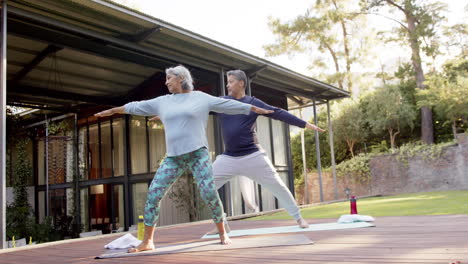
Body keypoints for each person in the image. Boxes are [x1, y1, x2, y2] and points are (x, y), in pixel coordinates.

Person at [94, 65, 273, 253]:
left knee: (208, 192)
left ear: (180, 78)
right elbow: (136, 106)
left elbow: (227, 105)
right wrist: (113, 110)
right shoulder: (163, 101)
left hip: (198, 154)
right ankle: (147, 241)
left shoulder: (200, 97)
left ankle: (222, 232)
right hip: (174, 158)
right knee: (153, 193)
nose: (166, 82)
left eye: (169, 78)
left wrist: (252, 107)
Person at [208, 69, 326, 234]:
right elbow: (197, 106)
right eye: (227, 82)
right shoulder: (222, 102)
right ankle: (222, 223)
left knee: (278, 186)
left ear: (241, 83)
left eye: (231, 81)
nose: (228, 85)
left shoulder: (253, 102)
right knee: (206, 186)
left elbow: (277, 113)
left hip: (253, 156)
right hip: (229, 158)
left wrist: (305, 124)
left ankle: (299, 218)